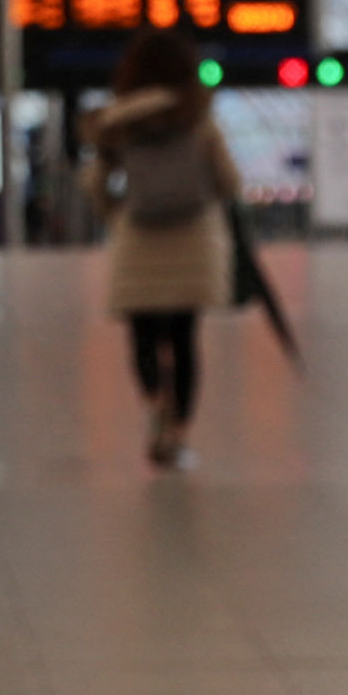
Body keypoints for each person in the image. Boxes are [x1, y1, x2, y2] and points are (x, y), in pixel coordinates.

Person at [87, 29, 240, 468]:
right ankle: (178, 434)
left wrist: (116, 213)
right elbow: (229, 182)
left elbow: (96, 184)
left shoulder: (119, 124)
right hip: (194, 241)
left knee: (143, 336)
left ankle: (156, 400)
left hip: (139, 241)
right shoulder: (199, 119)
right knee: (185, 338)